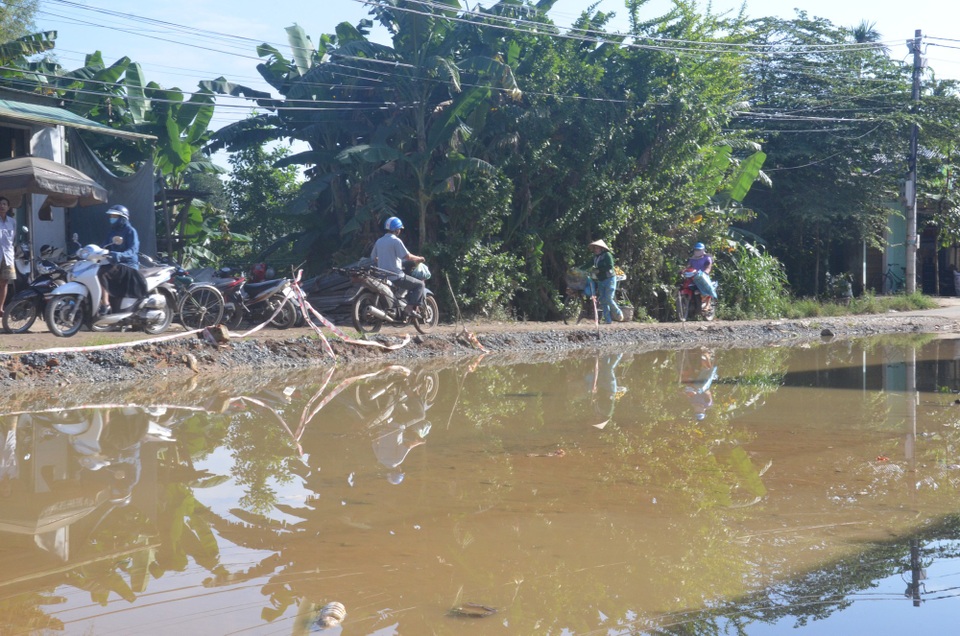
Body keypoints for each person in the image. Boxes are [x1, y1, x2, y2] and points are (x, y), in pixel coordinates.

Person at [370, 216, 426, 316]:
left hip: (382, 277)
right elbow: (407, 256)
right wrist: (419, 258)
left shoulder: (379, 241)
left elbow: (374, 258)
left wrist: (385, 259)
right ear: (396, 229)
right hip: (395, 277)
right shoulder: (396, 241)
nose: (400, 230)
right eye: (399, 228)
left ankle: (401, 304)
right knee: (419, 285)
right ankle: (409, 309)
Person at [98, 204, 145, 314]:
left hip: (128, 265)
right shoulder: (112, 232)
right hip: (116, 264)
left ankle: (105, 304)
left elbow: (133, 250)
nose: (111, 218)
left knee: (103, 273)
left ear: (123, 218)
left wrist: (119, 255)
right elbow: (104, 246)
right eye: (111, 216)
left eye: (115, 216)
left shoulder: (130, 231)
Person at [588, 239, 623, 324]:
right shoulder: (595, 258)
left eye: (597, 248)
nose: (595, 249)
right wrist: (578, 269)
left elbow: (610, 266)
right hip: (601, 280)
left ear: (601, 248)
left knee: (608, 298)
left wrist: (599, 270)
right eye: (595, 248)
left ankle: (618, 313)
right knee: (603, 300)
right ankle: (608, 320)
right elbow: (588, 264)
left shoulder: (607, 255)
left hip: (609, 279)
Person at [686, 242, 716, 313]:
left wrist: (705, 272)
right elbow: (688, 266)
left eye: (699, 250)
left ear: (703, 250)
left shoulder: (707, 258)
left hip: (703, 276)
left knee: (706, 287)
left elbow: (709, 267)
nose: (697, 252)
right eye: (696, 250)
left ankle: (708, 304)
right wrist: (684, 270)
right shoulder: (692, 259)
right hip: (693, 277)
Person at [0, 196, 16, 317]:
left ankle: (0, 308)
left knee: (4, 282)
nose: (2, 206)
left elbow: (13, 239)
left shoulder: (12, 222)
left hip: (8, 256)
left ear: (8, 207)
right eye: (1, 204)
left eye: (5, 204)